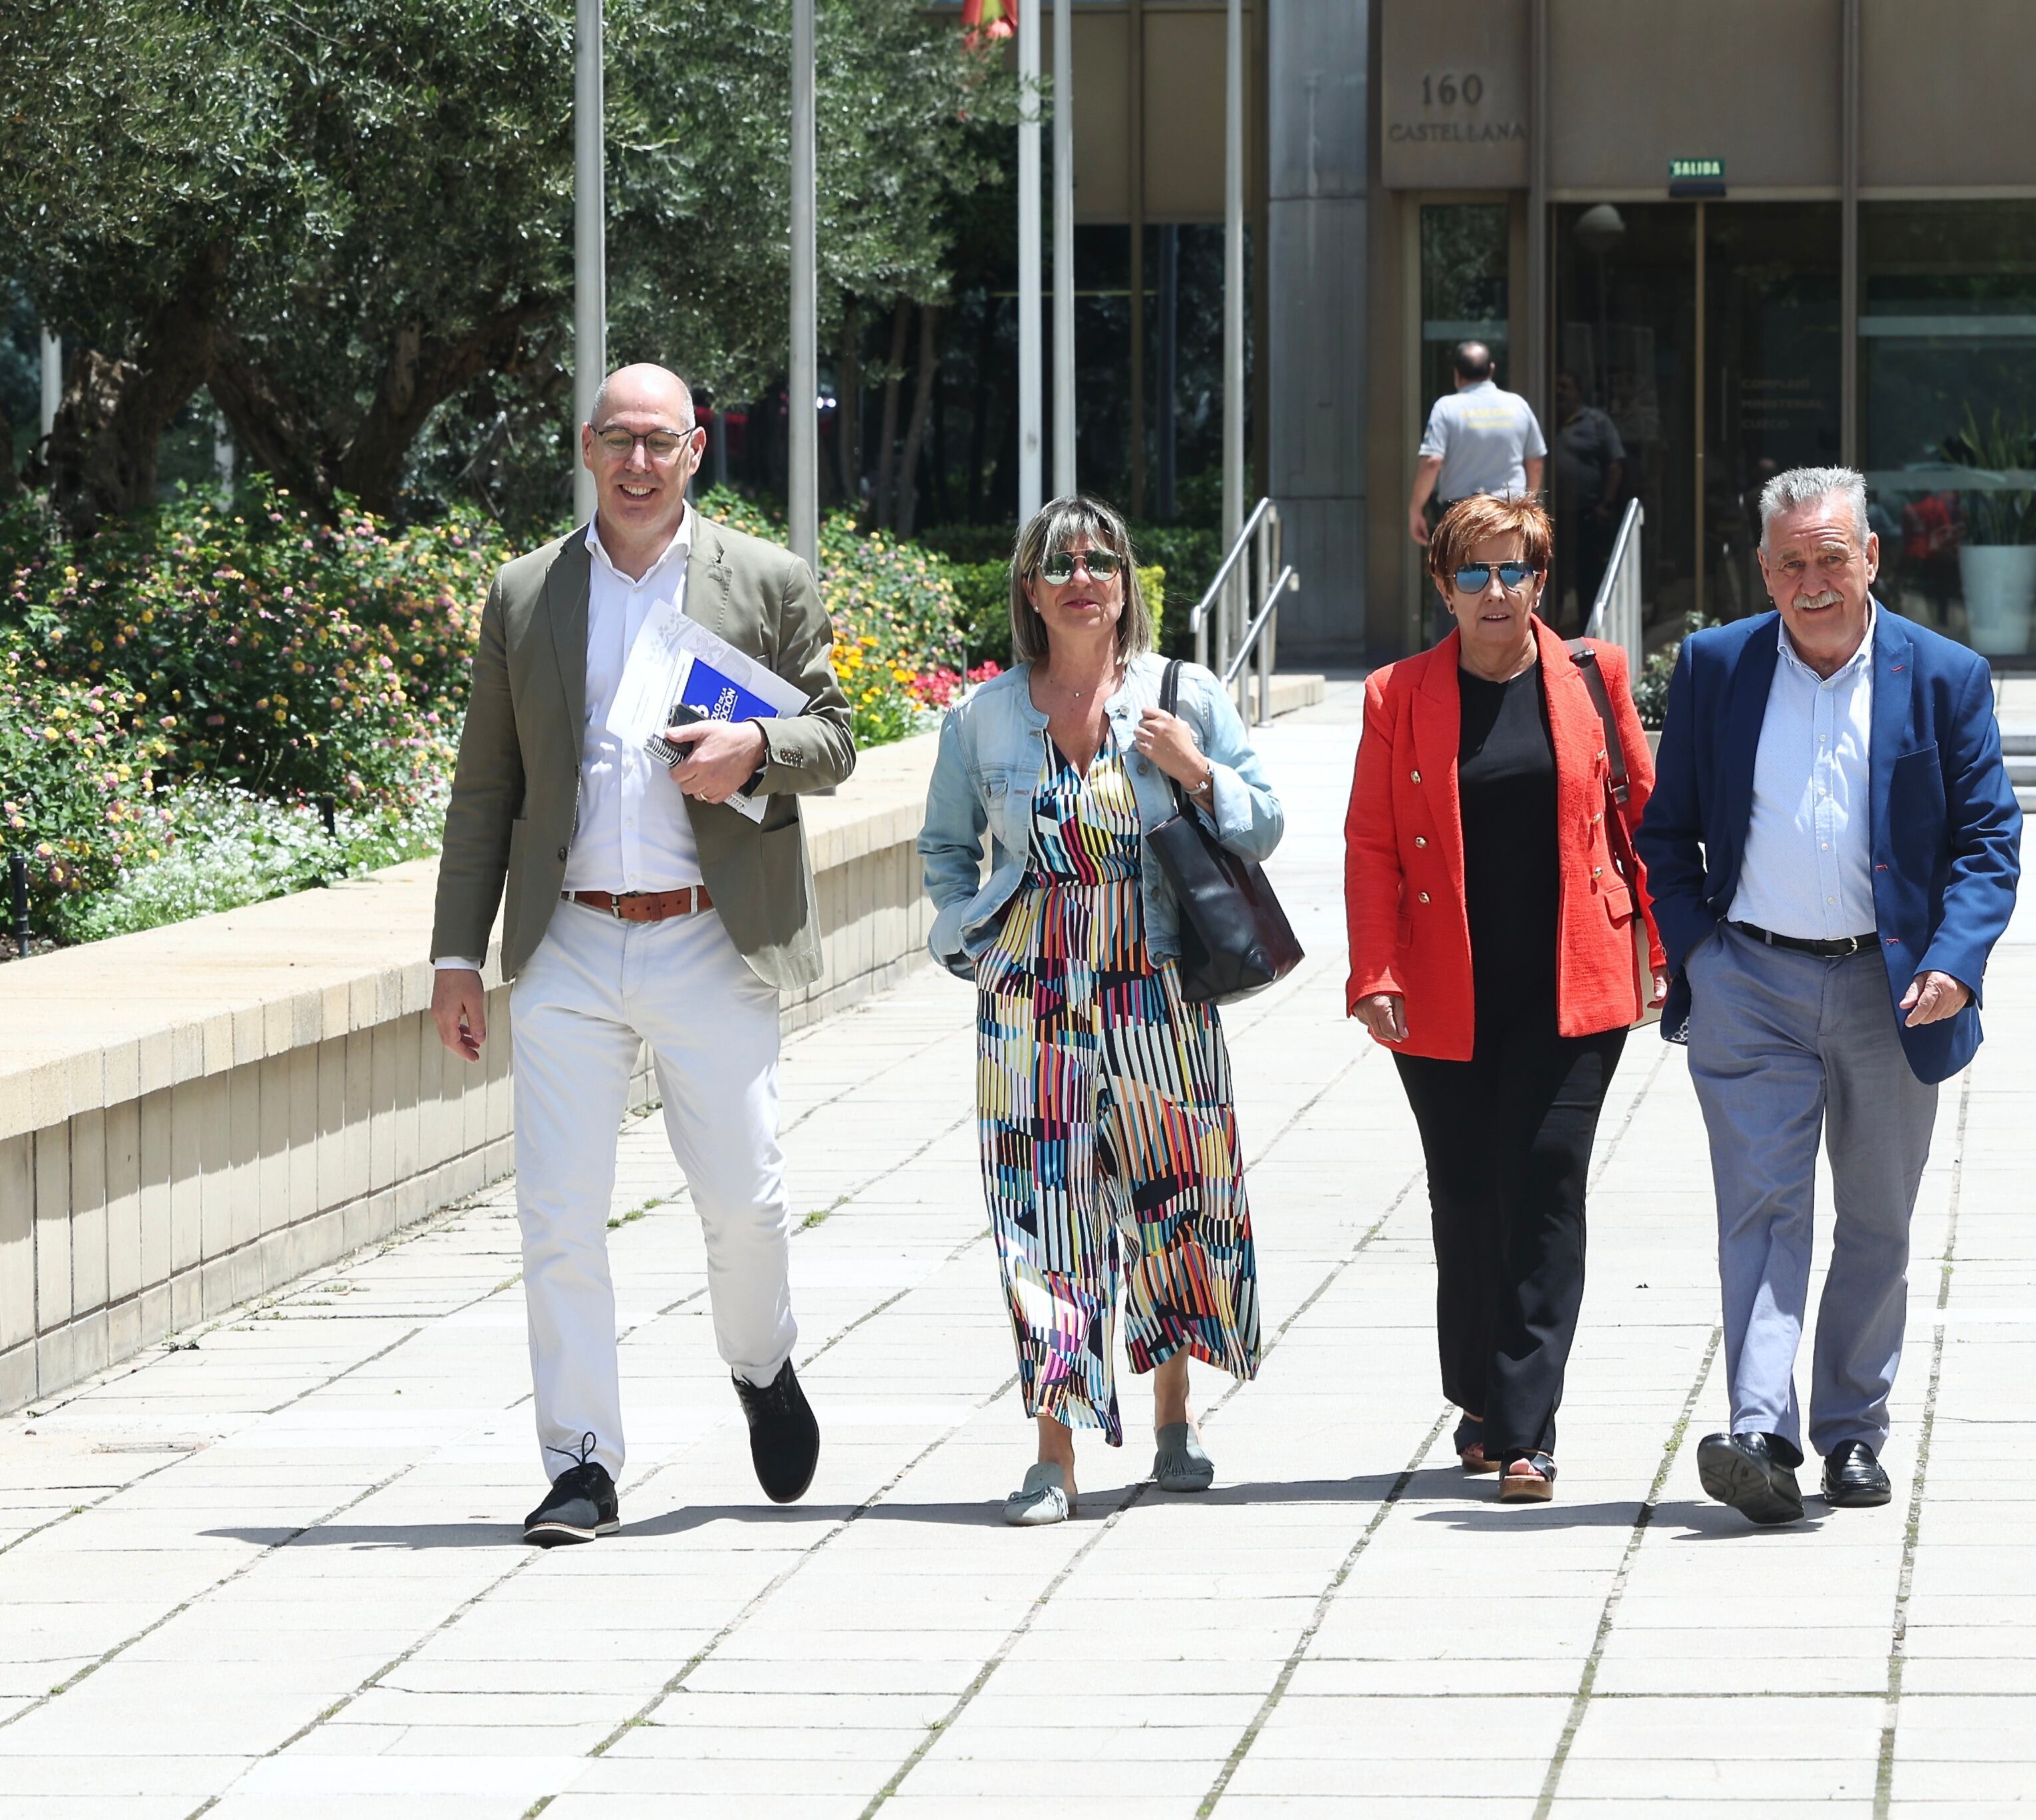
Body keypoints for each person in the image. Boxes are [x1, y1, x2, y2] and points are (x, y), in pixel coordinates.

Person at [429, 363, 855, 1547]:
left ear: (695, 450)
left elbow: (836, 738)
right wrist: (455, 957)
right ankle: (579, 1464)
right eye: (616, 439)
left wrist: (753, 744)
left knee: (747, 1203)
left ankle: (760, 1363)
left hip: (711, 938)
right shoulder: (526, 594)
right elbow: (486, 788)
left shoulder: (762, 580)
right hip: (568, 941)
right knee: (558, 1215)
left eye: (657, 441)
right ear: (585, 447)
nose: (636, 462)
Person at [1635, 465, 2021, 1527]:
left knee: (1877, 1220)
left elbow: (1989, 839)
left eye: (1831, 559)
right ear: (1762, 570)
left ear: (1872, 559)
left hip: (1893, 991)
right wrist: (1696, 958)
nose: (1813, 581)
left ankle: (1854, 1432)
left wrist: (1956, 957)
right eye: (1791, 562)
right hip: (1747, 980)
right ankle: (1762, 1430)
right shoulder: (1715, 668)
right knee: (1762, 1211)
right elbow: (1666, 835)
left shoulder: (1943, 676)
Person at [919, 496, 1283, 1526]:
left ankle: (1174, 1411)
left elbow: (1266, 824)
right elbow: (946, 850)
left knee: (1177, 1200)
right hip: (1030, 1000)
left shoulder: (1185, 695)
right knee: (1042, 1220)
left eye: (1100, 561)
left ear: (1126, 584)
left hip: (1158, 988)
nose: (1083, 577)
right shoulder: (983, 718)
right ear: (1030, 590)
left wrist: (1196, 770)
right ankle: (1055, 1451)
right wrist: (967, 935)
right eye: (1059, 563)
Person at [1343, 493, 1664, 1504]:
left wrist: (1667, 950)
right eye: (1473, 573)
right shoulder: (1397, 695)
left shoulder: (1592, 675)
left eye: (1514, 569)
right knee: (1469, 1195)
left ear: (1540, 580)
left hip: (1574, 982)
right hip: (1443, 990)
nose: (1496, 592)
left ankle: (1527, 1429)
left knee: (1546, 1182)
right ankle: (1478, 1396)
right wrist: (1375, 973)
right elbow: (1372, 846)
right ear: (1443, 585)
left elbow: (1644, 818)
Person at [1409, 341, 1546, 549]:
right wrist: (1530, 505)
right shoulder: (1518, 405)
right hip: (1509, 508)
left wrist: (1416, 509)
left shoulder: (1446, 408)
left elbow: (1432, 461)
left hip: (1463, 512)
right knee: (1512, 570)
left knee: (1465, 574)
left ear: (1457, 373)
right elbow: (1535, 462)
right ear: (1492, 369)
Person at [1552, 371, 1628, 619]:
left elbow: (1616, 463)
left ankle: (1588, 627)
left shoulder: (1597, 422)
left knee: (1588, 575)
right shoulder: (1545, 417)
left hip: (1588, 513)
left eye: (1565, 386)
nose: (1559, 392)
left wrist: (1606, 503)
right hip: (1554, 515)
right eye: (1556, 388)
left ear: (1577, 391)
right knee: (1555, 575)